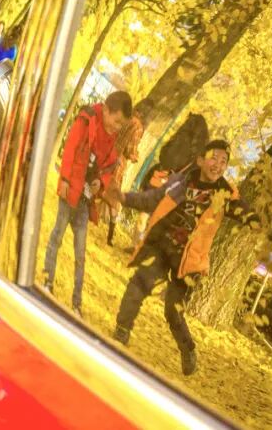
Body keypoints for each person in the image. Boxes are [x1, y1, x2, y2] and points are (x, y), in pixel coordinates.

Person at [108, 140, 259, 376]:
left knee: (173, 310)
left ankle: (188, 349)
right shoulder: (180, 182)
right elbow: (151, 199)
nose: (218, 164)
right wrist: (124, 198)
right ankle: (122, 330)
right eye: (213, 158)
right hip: (163, 247)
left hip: (189, 261)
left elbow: (243, 211)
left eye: (223, 161)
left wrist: (255, 221)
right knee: (139, 284)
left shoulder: (225, 195)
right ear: (200, 160)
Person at [43, 90, 133, 316]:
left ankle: (76, 303)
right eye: (116, 121)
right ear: (107, 110)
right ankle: (47, 281)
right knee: (56, 237)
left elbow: (109, 167)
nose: (117, 127)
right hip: (70, 190)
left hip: (85, 199)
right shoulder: (87, 119)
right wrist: (64, 179)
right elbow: (71, 149)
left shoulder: (112, 137)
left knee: (80, 252)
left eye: (121, 125)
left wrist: (100, 184)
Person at [102, 98, 152, 246]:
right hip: (118, 162)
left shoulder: (126, 117)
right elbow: (130, 150)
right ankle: (110, 236)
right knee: (114, 199)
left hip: (107, 154)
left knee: (99, 185)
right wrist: (135, 156)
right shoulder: (138, 127)